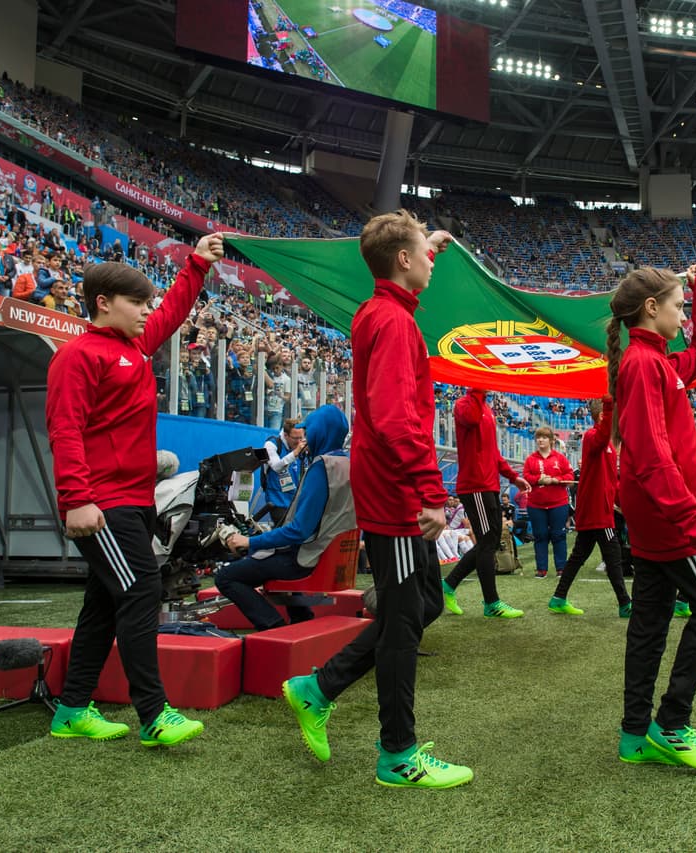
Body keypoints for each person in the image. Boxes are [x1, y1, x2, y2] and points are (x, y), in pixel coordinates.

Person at [281, 210, 472, 789]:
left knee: (416, 608)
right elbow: (394, 419)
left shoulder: (384, 309)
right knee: (406, 617)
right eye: (424, 253)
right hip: (396, 493)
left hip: (388, 486)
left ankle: (318, 688)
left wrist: (427, 243)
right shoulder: (393, 323)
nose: (431, 262)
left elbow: (404, 262)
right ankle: (397, 754)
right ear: (404, 261)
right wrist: (431, 491)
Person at [44, 232, 224, 747]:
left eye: (147, 301)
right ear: (104, 303)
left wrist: (197, 265)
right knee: (142, 588)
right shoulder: (77, 356)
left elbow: (171, 315)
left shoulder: (134, 347)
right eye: (137, 302)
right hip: (101, 504)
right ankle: (153, 714)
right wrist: (77, 499)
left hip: (131, 502)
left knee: (103, 604)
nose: (148, 311)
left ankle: (72, 709)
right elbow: (65, 429)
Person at [608, 263, 696, 775]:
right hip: (668, 517)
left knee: (650, 623)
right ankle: (672, 723)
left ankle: (634, 734)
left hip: (658, 514)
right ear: (651, 309)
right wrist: (695, 520)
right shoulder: (644, 365)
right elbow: (649, 455)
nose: (684, 317)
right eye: (679, 306)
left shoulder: (657, 360)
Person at [217, 405, 353, 630]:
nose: (305, 439)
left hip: (307, 559)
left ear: (320, 431)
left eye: (308, 432)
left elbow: (298, 531)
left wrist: (249, 542)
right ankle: (301, 619)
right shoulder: (347, 463)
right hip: (327, 555)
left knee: (226, 577)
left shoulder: (321, 467)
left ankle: (274, 628)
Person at [441, 387, 530, 618]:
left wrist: (513, 477)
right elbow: (469, 418)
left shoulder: (487, 408)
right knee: (487, 541)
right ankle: (490, 602)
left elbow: (493, 452)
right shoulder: (464, 404)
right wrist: (477, 389)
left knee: (489, 540)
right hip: (475, 485)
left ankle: (449, 584)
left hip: (489, 485)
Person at [546, 396, 632, 618]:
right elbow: (604, 437)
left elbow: (611, 479)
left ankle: (558, 597)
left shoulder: (605, 442)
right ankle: (625, 603)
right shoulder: (595, 436)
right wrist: (609, 403)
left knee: (580, 555)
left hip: (598, 508)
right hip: (597, 510)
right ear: (604, 415)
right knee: (613, 557)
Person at [522, 425, 574, 578]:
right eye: (538, 437)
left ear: (551, 441)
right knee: (540, 536)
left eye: (544, 437)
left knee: (558, 535)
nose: (540, 440)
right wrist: (538, 479)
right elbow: (525, 477)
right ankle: (541, 569)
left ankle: (561, 568)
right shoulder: (531, 459)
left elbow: (570, 476)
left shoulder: (560, 458)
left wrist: (556, 480)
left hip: (558, 503)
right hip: (536, 504)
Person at [262, 418, 305, 527]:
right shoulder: (271, 445)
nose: (299, 442)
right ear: (286, 435)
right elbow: (277, 467)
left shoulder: (301, 446)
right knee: (284, 531)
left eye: (301, 437)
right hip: (277, 500)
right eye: (295, 438)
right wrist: (295, 453)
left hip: (296, 500)